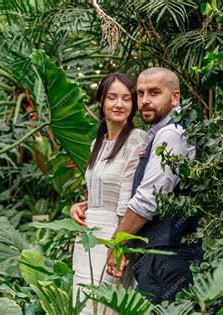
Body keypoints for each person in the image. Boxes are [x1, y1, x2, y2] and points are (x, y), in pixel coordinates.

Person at [105, 67, 202, 304]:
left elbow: (148, 199)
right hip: (157, 256)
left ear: (175, 97)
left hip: (170, 258)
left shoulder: (172, 134)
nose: (145, 101)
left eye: (154, 92)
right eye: (140, 93)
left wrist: (116, 244)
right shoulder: (157, 133)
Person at [70, 73, 149, 314]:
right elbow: (100, 191)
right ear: (101, 102)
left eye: (126, 98)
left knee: (105, 307)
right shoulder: (98, 143)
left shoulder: (138, 141)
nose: (119, 104)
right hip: (87, 238)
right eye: (112, 97)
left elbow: (128, 201)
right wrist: (80, 206)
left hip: (112, 237)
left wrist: (118, 246)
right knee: (81, 304)